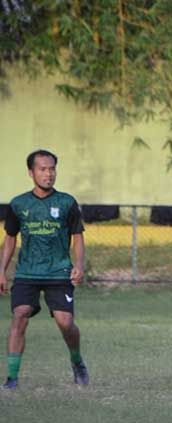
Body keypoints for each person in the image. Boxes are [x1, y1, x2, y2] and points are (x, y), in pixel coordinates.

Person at [0, 150, 88, 390]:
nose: (48, 174)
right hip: (27, 272)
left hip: (59, 272)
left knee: (65, 323)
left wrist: (79, 266)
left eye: (52, 169)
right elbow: (9, 239)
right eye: (42, 169)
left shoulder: (67, 202)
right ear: (31, 172)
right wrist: (2, 270)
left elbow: (78, 237)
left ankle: (77, 361)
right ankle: (12, 378)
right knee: (20, 316)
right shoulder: (19, 204)